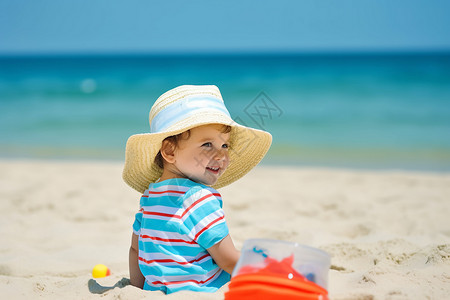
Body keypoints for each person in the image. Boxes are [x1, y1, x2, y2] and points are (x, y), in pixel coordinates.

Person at [122, 85, 272, 294]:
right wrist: (268, 273)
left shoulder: (149, 198)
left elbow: (135, 250)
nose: (221, 156)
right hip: (202, 291)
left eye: (225, 146)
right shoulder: (199, 198)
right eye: (207, 144)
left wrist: (136, 290)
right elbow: (228, 260)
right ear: (169, 150)